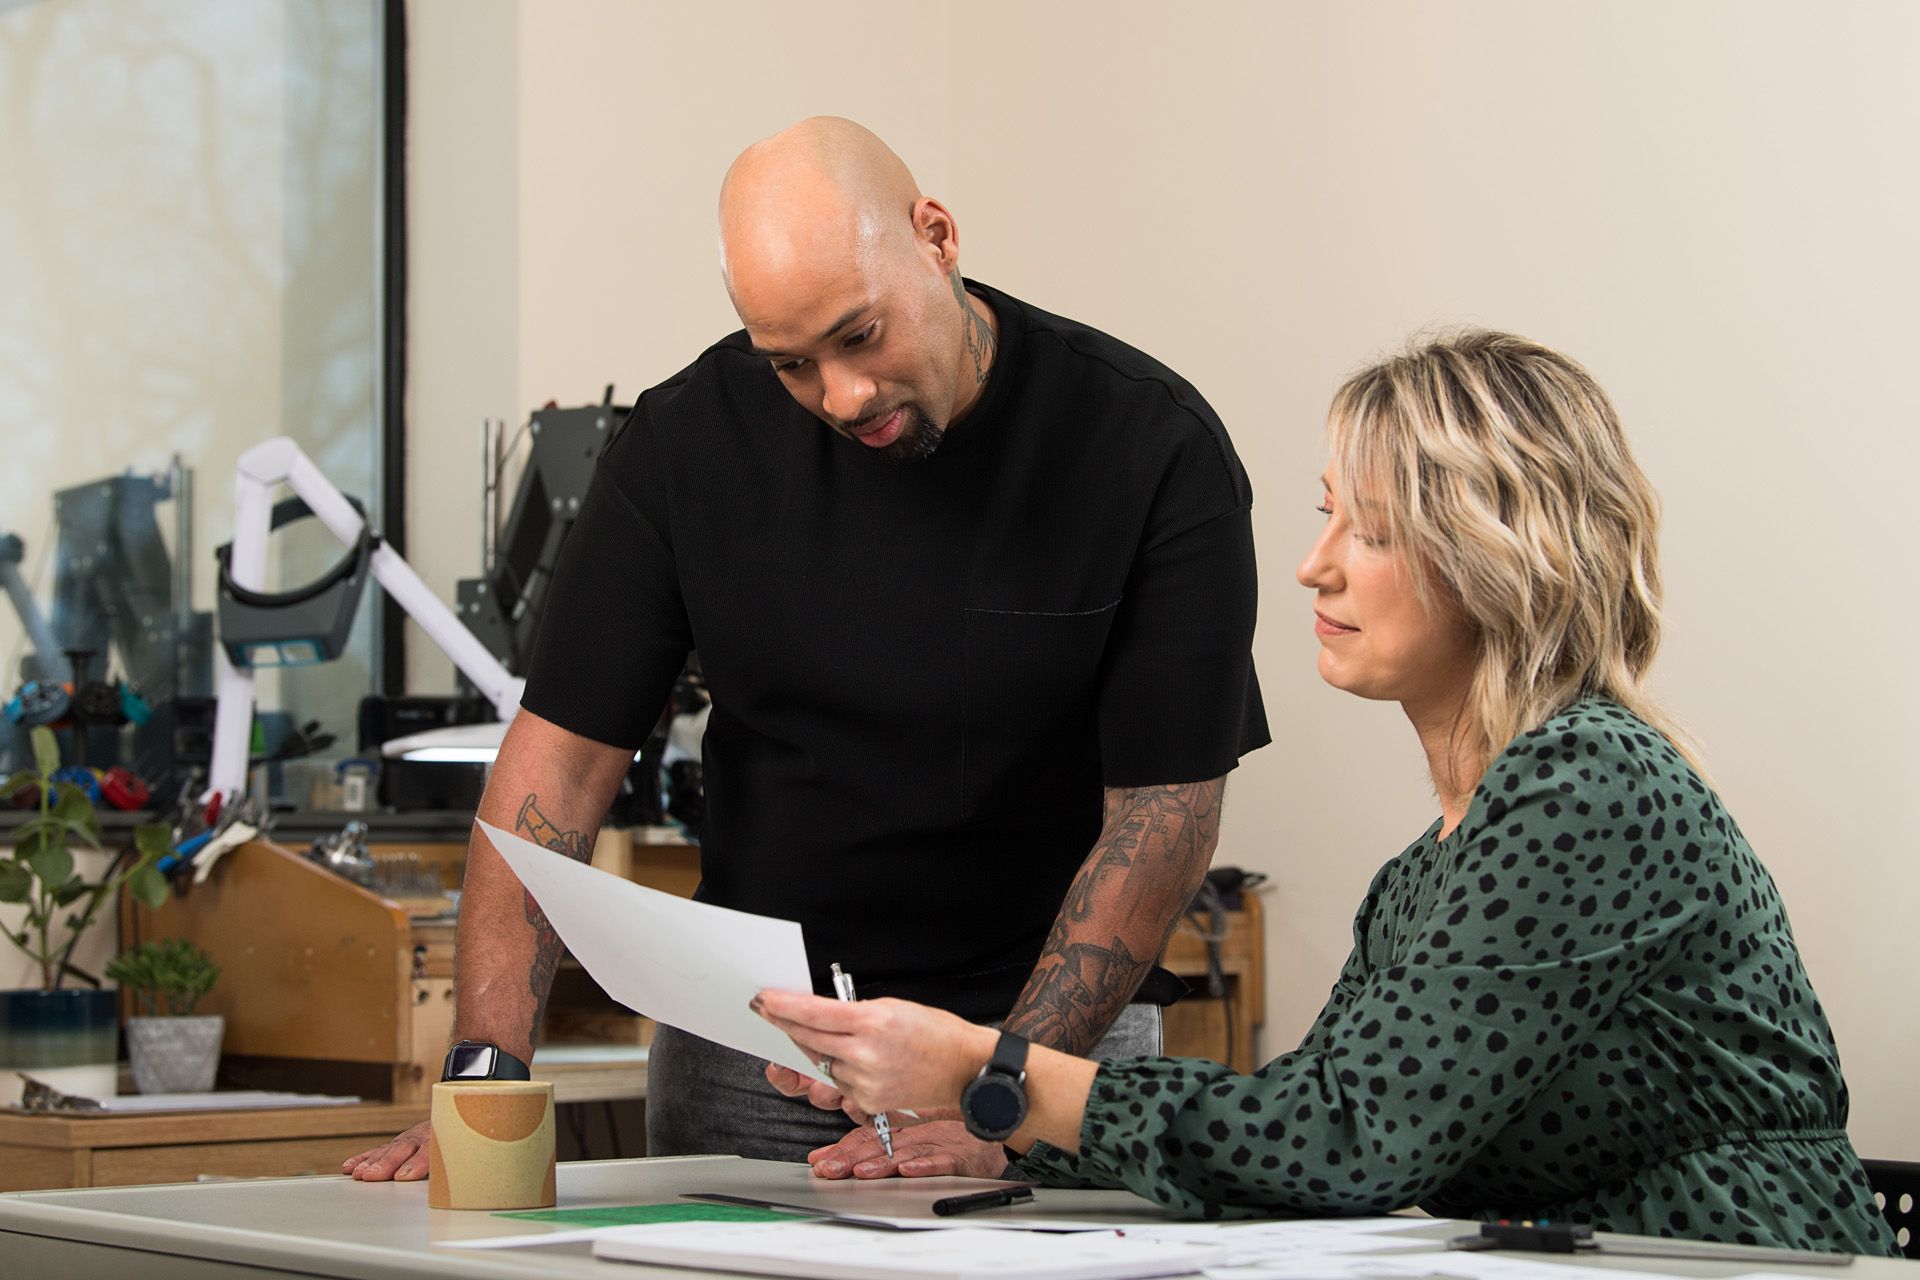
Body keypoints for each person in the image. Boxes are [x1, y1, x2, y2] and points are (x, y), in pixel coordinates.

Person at [753, 330, 1898, 1254]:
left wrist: (986, 1069)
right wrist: (1008, 1136)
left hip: (1734, 1261)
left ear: (1500, 554)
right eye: (1326, 513)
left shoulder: (1586, 784)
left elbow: (1345, 1141)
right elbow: (1311, 1116)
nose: (1318, 563)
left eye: (1375, 527)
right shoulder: (1433, 866)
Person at [342, 116, 1268, 1180]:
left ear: (937, 236)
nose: (842, 396)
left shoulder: (1148, 448)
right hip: (761, 1057)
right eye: (790, 362)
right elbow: (559, 764)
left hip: (1046, 1055)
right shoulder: (687, 447)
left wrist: (1004, 1087)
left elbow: (1162, 815)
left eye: (861, 335)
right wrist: (484, 1074)